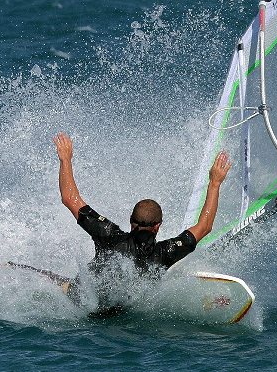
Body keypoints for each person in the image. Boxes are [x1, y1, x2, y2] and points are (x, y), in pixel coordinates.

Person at [47, 132, 232, 314]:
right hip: (122, 314)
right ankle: (207, 301)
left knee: (66, 286)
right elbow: (205, 225)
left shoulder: (108, 235)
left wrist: (66, 159)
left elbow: (70, 199)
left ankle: (60, 284)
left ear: (130, 220)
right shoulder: (166, 253)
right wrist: (215, 183)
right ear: (158, 225)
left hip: (85, 303)